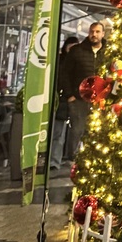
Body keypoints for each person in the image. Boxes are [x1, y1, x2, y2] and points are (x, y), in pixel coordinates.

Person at [66, 22, 106, 159]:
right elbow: (65, 73)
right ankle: (72, 159)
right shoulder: (77, 51)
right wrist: (70, 95)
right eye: (92, 31)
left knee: (95, 130)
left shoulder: (108, 52)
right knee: (77, 130)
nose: (94, 34)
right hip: (79, 99)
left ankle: (91, 158)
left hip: (100, 99)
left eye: (97, 32)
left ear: (103, 34)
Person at [49, 35, 79, 169]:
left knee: (65, 132)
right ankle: (53, 160)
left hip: (70, 100)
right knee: (57, 132)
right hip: (60, 99)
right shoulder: (59, 61)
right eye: (70, 47)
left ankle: (59, 159)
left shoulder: (77, 62)